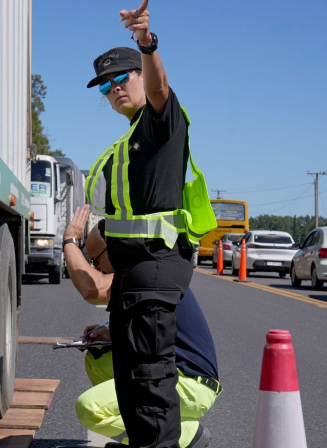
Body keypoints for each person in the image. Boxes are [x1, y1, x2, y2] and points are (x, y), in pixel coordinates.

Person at [79, 1, 216, 446]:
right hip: (133, 278)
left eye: (123, 77)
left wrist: (146, 43)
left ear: (140, 74)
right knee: (134, 389)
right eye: (105, 85)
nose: (115, 88)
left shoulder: (160, 125)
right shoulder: (128, 137)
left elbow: (160, 90)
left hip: (155, 272)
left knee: (152, 392)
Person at [62, 206, 220, 448]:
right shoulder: (139, 268)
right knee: (98, 358)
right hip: (172, 371)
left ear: (115, 248)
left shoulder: (143, 270)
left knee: (89, 409)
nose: (96, 268)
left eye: (96, 260)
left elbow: (93, 290)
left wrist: (70, 241)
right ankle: (138, 431)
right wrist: (110, 331)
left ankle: (184, 434)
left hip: (192, 384)